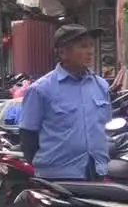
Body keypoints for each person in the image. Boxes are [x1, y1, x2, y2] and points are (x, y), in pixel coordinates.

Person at [19, 24, 111, 181]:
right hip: (58, 177)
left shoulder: (101, 85)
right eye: (82, 46)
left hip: (96, 172)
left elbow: (105, 126)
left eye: (91, 46)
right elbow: (28, 136)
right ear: (63, 52)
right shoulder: (41, 89)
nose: (90, 51)